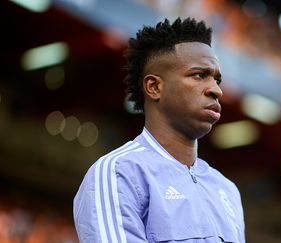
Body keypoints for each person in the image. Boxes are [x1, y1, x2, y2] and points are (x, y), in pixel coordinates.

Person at [73, 17, 246, 243]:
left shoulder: (227, 190)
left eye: (217, 79)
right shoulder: (119, 172)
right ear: (154, 87)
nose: (216, 90)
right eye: (199, 75)